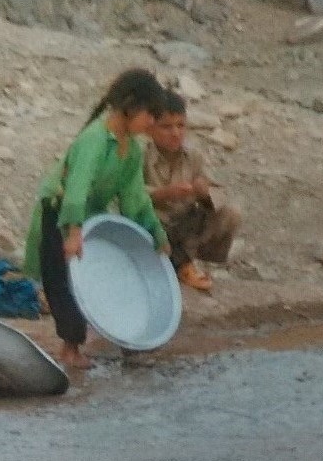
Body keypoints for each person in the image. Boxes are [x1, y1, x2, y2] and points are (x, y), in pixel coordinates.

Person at [23, 68, 171, 369]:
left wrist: (154, 231)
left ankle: (125, 341)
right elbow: (77, 187)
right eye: (150, 114)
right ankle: (70, 348)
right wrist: (73, 230)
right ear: (130, 105)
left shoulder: (131, 150)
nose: (152, 122)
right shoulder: (94, 139)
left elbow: (135, 197)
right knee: (62, 281)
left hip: (88, 216)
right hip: (60, 211)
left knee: (93, 279)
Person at [145, 89, 242, 292]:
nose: (176, 133)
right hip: (153, 223)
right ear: (150, 128)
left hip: (183, 226)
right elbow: (129, 194)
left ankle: (182, 263)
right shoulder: (141, 155)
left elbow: (211, 197)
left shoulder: (193, 156)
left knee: (230, 214)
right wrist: (164, 193)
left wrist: (204, 193)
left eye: (180, 126)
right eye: (166, 127)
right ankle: (177, 265)